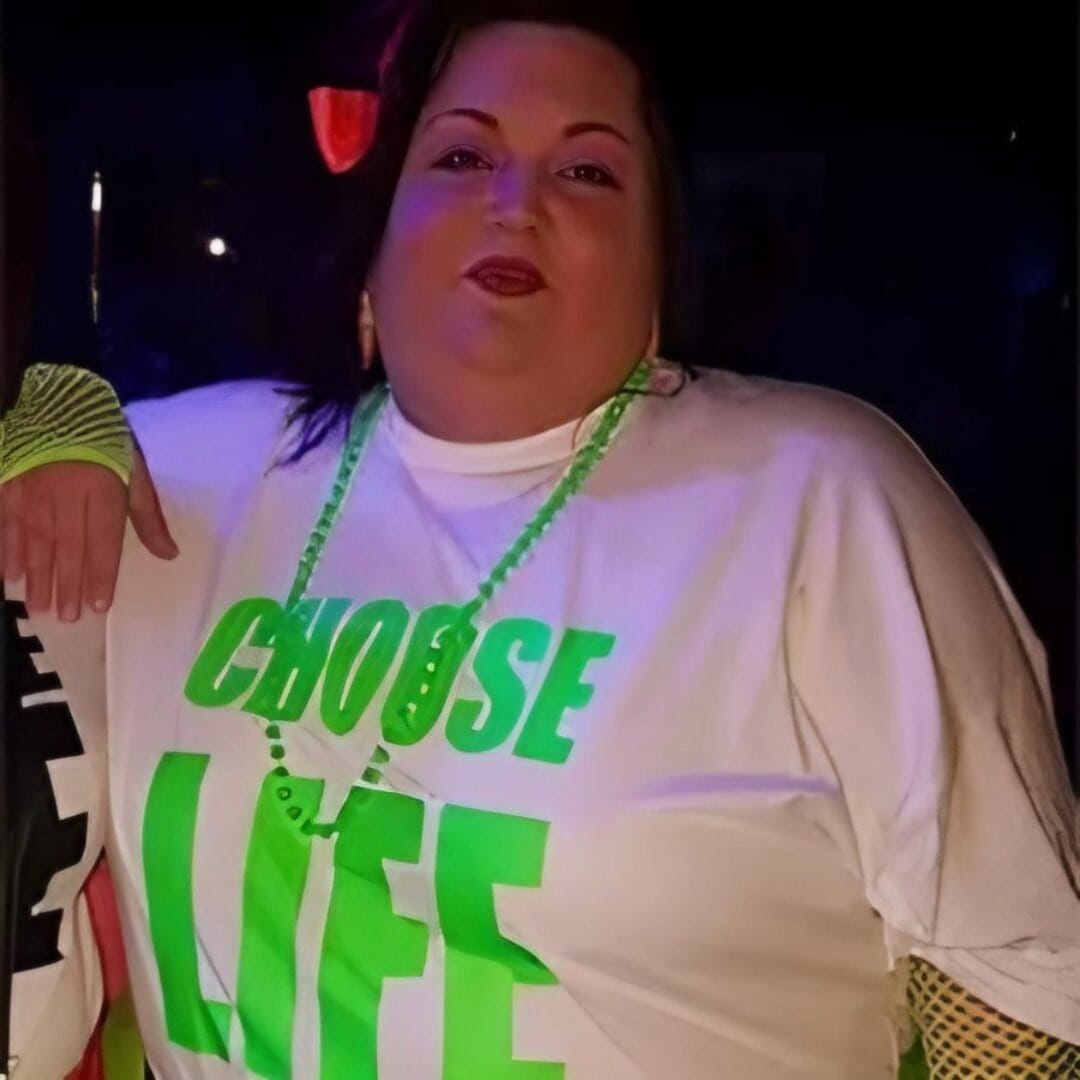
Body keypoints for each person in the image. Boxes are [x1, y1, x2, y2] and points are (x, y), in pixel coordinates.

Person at [2, 1, 1078, 1076]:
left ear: (657, 265)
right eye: (463, 156)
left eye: (588, 172)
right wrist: (43, 410)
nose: (516, 206)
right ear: (373, 245)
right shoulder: (179, 480)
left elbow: (1021, 982)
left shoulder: (819, 501)